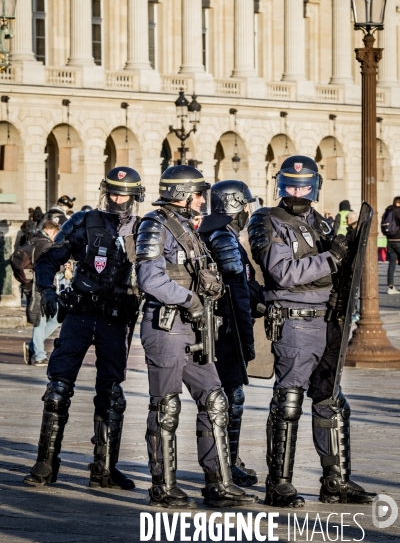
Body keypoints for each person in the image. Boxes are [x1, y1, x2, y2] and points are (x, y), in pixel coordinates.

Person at [248, 155, 375, 508]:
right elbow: (281, 271)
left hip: (327, 320)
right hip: (294, 319)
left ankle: (336, 482)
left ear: (315, 187)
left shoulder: (320, 223)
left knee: (330, 402)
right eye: (291, 185)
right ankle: (280, 484)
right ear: (281, 186)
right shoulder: (267, 220)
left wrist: (346, 253)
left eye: (304, 186)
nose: (297, 192)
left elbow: (338, 270)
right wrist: (332, 258)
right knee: (289, 402)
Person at [136, 164, 258, 508]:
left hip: (195, 325)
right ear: (182, 195)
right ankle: (164, 486)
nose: (203, 200)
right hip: (167, 324)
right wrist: (189, 299)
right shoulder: (155, 226)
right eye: (199, 194)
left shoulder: (190, 230)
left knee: (215, 399)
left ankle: (218, 483)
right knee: (166, 406)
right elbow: (149, 279)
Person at [23, 167, 144, 490]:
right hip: (79, 314)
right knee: (57, 390)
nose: (118, 200)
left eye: (125, 195)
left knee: (112, 394)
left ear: (134, 198)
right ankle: (46, 464)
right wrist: (47, 289)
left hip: (115, 319)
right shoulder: (84, 221)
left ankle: (104, 468)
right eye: (114, 193)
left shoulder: (143, 229)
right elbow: (50, 259)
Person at [198, 180, 260, 487]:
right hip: (223, 331)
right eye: (245, 205)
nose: (249, 211)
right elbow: (237, 291)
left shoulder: (218, 234)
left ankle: (229, 459)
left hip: (219, 329)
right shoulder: (223, 237)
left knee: (226, 397)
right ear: (235, 206)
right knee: (229, 397)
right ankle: (226, 463)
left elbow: (248, 285)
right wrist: (246, 339)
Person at [23, 220, 61, 366]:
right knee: (41, 320)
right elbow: (47, 265)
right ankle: (39, 355)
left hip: (37, 286)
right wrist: (63, 267)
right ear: (51, 230)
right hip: (40, 287)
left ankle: (33, 346)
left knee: (56, 317)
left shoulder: (35, 240)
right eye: (56, 234)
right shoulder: (44, 244)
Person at [383, 196, 400, 294]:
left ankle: (390, 287)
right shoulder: (397, 211)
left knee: (392, 264)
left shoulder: (387, 212)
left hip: (390, 241)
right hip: (399, 240)